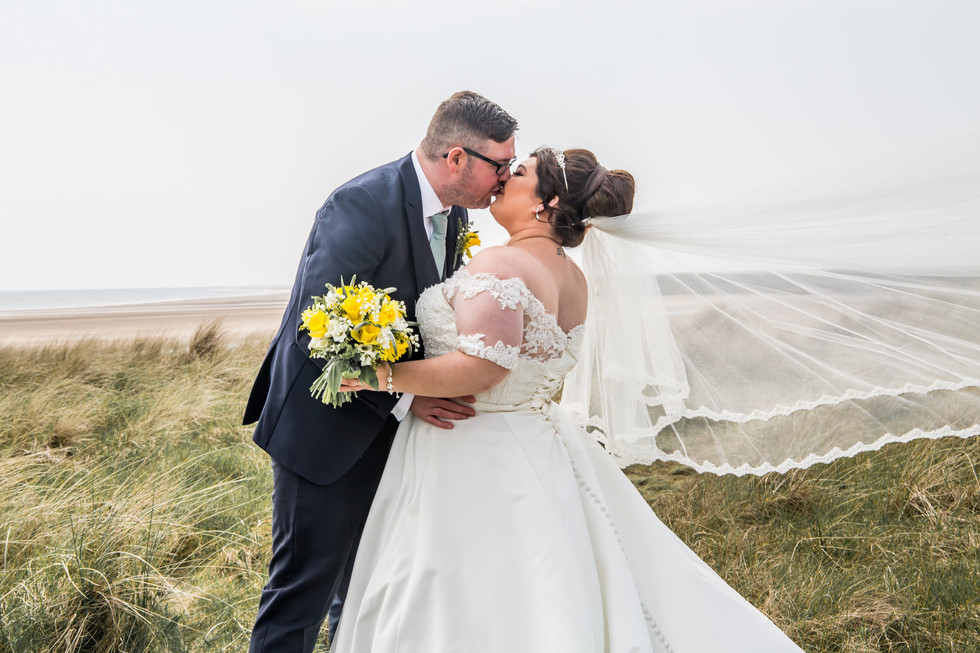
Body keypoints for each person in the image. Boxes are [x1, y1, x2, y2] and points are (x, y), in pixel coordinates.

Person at [330, 147, 806, 651]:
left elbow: (485, 368)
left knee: (459, 588)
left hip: (470, 446)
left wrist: (381, 374)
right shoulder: (573, 279)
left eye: (518, 173)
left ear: (548, 201)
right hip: (539, 440)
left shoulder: (502, 265)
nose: (502, 180)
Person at [242, 91, 518, 652]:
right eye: (500, 163)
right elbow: (314, 329)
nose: (507, 177)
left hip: (393, 441)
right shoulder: (361, 204)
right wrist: (405, 397)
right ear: (458, 158)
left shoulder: (456, 212)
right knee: (300, 596)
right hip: (325, 433)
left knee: (364, 590)